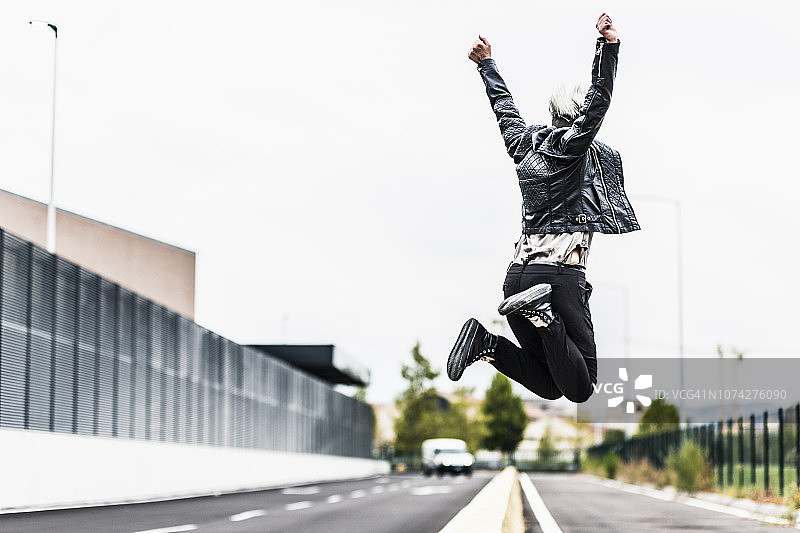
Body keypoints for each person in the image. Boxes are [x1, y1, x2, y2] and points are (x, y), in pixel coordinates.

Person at [447, 13, 639, 403]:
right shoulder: (573, 149)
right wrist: (608, 46)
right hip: (557, 280)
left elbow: (505, 110)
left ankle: (487, 343)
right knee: (583, 386)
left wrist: (486, 64)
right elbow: (597, 103)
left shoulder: (524, 145)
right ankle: (545, 317)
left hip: (516, 279)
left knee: (553, 385)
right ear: (576, 117)